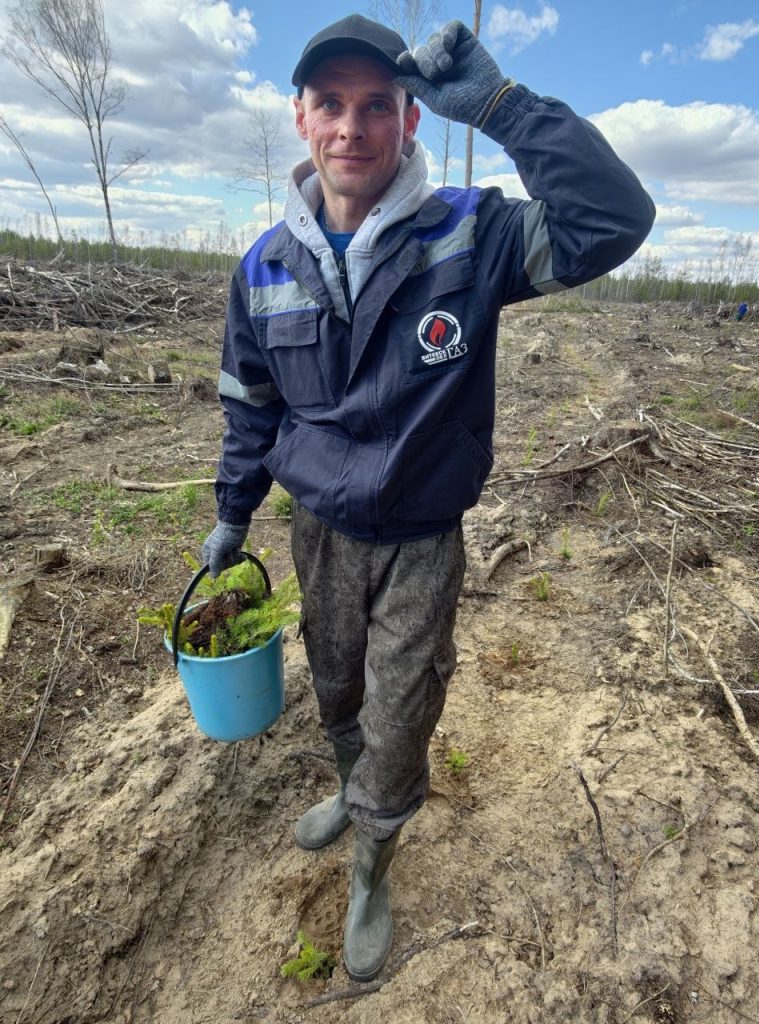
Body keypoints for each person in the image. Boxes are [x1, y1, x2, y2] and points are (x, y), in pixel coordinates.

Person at [202, 13, 655, 982]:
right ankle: (349, 788)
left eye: (378, 105)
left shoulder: (472, 233)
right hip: (319, 531)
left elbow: (612, 220)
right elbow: (251, 403)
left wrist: (503, 106)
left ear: (411, 119)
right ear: (300, 116)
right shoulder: (263, 268)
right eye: (331, 104)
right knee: (337, 688)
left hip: (419, 537)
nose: (351, 127)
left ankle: (373, 862)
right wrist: (234, 511)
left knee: (401, 710)